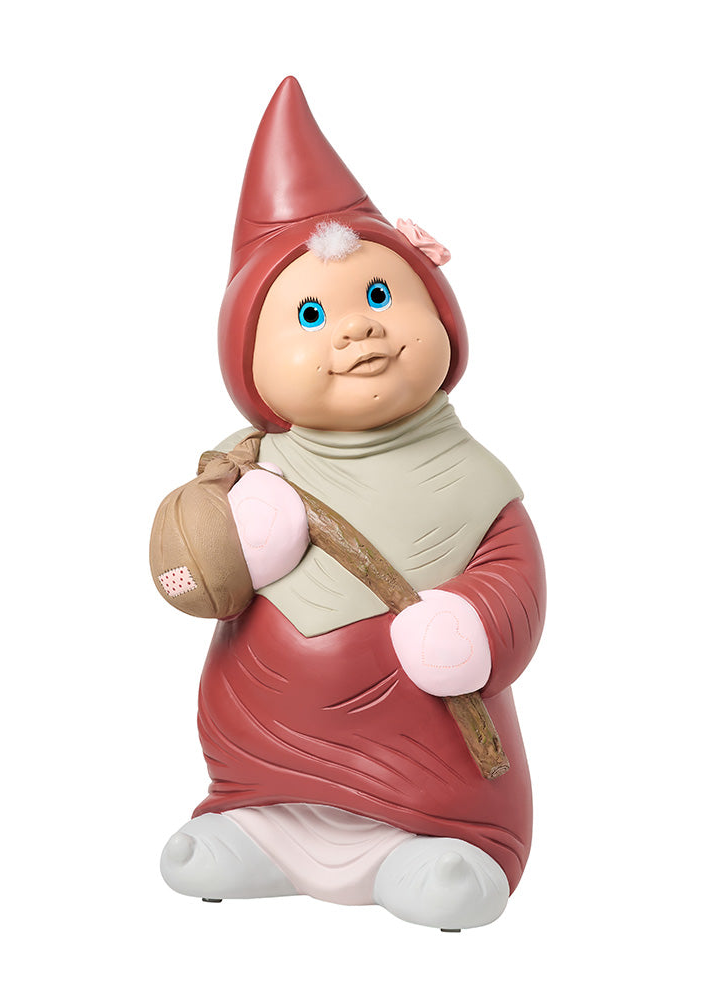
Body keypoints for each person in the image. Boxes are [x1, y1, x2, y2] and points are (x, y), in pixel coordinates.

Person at [154, 78, 546, 930]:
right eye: (308, 313)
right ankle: (257, 828)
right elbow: (181, 582)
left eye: (378, 296)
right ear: (251, 365)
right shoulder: (241, 470)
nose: (358, 329)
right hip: (263, 765)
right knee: (236, 814)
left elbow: (515, 583)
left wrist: (477, 625)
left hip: (429, 783)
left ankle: (450, 851)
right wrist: (219, 543)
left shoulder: (476, 480)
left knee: (447, 848)